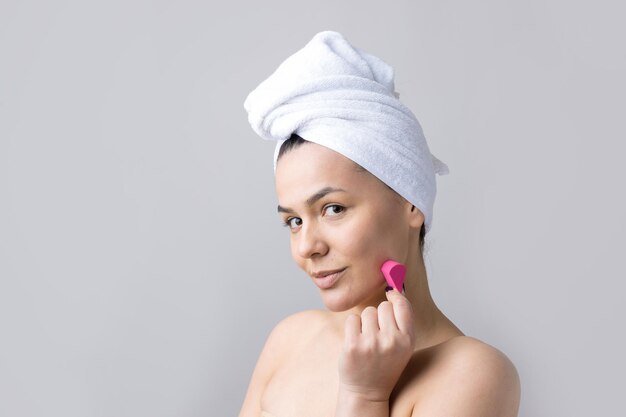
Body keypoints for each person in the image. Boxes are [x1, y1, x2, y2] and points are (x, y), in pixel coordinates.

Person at [239, 31, 520, 417]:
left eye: (333, 209)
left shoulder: (473, 373)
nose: (307, 247)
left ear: (410, 202)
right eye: (293, 220)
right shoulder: (290, 340)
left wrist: (364, 397)